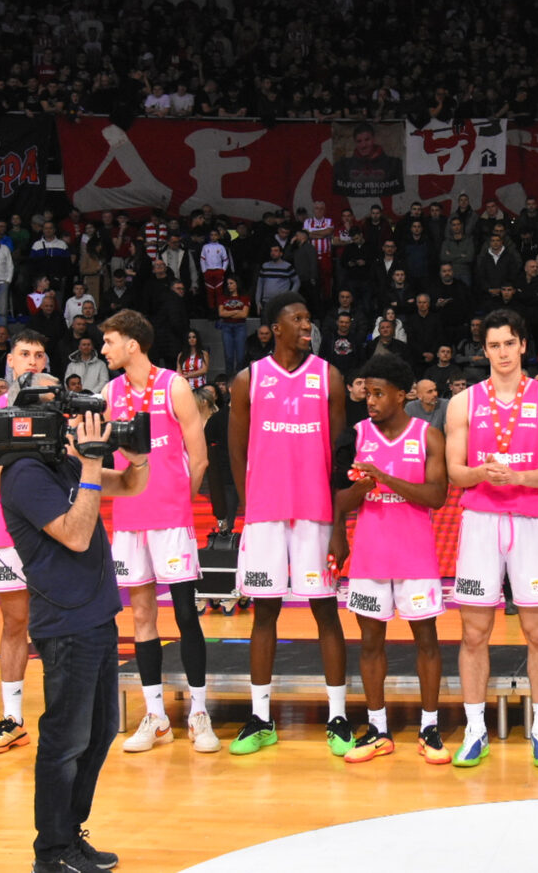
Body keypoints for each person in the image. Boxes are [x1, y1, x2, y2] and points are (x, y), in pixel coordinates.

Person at [0, 396, 148, 873]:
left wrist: (137, 455)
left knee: (101, 731)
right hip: (64, 626)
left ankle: (69, 834)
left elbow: (128, 484)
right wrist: (88, 462)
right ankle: (50, 852)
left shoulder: (65, 462)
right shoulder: (24, 473)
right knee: (64, 741)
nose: (66, 419)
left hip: (97, 618)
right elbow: (77, 534)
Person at [444, 309, 538, 768]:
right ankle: (475, 729)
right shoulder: (464, 403)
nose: (501, 353)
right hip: (480, 522)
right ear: (485, 351)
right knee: (474, 631)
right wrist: (481, 473)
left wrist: (519, 474)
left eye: (508, 344)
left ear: (523, 345)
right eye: (493, 345)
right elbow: (455, 471)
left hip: (531, 523)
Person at [226, 292, 352, 757]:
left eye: (308, 318)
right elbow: (235, 451)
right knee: (264, 613)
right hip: (266, 515)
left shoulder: (329, 376)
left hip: (317, 513)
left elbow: (341, 459)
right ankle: (260, 718)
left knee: (325, 612)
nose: (306, 324)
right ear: (273, 328)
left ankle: (338, 716)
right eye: (297, 318)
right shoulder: (248, 379)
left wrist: (340, 521)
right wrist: (249, 502)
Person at [100, 310, 214, 753]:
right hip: (129, 520)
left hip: (170, 518)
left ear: (132, 344)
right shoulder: (109, 392)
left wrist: (177, 503)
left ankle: (199, 712)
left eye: (109, 341)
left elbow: (199, 457)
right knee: (142, 616)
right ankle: (155, 715)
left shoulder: (175, 385)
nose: (104, 349)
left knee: (186, 614)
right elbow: (107, 460)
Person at [329, 353, 451, 764]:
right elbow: (339, 501)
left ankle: (430, 727)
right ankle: (378, 729)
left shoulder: (428, 437)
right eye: (368, 392)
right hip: (370, 556)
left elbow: (437, 496)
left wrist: (384, 478)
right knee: (369, 643)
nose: (372, 400)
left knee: (427, 642)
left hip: (415, 557)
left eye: (380, 393)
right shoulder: (356, 435)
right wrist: (363, 489)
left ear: (402, 395)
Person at [0, 330, 52, 754]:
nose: (32, 362)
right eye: (24, 355)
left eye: (39, 356)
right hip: (7, 531)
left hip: (56, 530)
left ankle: (63, 713)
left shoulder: (61, 410)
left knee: (59, 626)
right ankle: (14, 719)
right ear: (10, 361)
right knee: (14, 624)